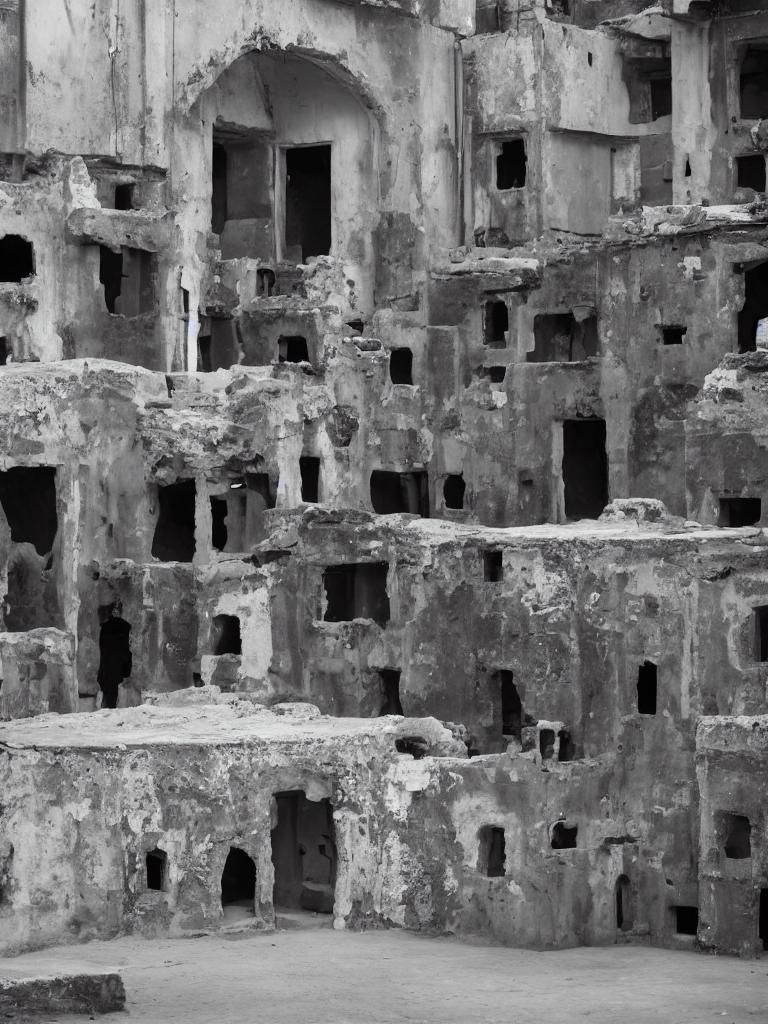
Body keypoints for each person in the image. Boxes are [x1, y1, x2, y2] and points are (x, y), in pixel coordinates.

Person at [97, 604, 132, 709]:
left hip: (111, 664)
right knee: (111, 691)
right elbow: (126, 648)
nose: (116, 612)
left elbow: (126, 647)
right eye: (114, 610)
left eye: (117, 610)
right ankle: (108, 707)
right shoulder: (124, 626)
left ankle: (107, 707)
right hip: (114, 664)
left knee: (110, 691)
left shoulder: (106, 627)